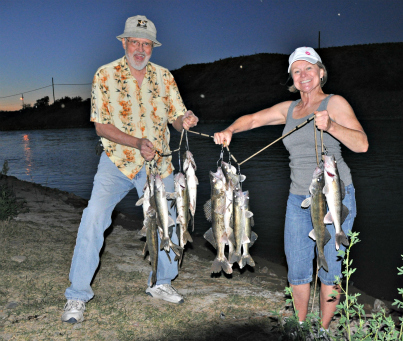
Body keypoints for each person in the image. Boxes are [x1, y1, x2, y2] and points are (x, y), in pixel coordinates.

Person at [213, 47, 368, 332]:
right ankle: (299, 327)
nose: (303, 75)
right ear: (292, 78)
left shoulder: (335, 103)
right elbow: (254, 119)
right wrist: (231, 130)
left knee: (330, 271)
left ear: (321, 72)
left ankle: (321, 330)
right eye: (297, 71)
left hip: (334, 196)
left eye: (309, 68)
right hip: (298, 199)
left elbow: (361, 144)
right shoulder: (289, 109)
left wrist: (331, 125)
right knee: (297, 270)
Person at [62, 15, 199, 324]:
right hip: (117, 162)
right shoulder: (105, 75)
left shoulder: (165, 77)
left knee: (172, 223)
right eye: (134, 42)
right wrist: (137, 142)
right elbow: (101, 126)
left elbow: (176, 118)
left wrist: (185, 120)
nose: (140, 48)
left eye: (146, 43)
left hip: (159, 165)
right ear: (124, 42)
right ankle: (76, 295)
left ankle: (161, 283)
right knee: (93, 217)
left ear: (152, 46)